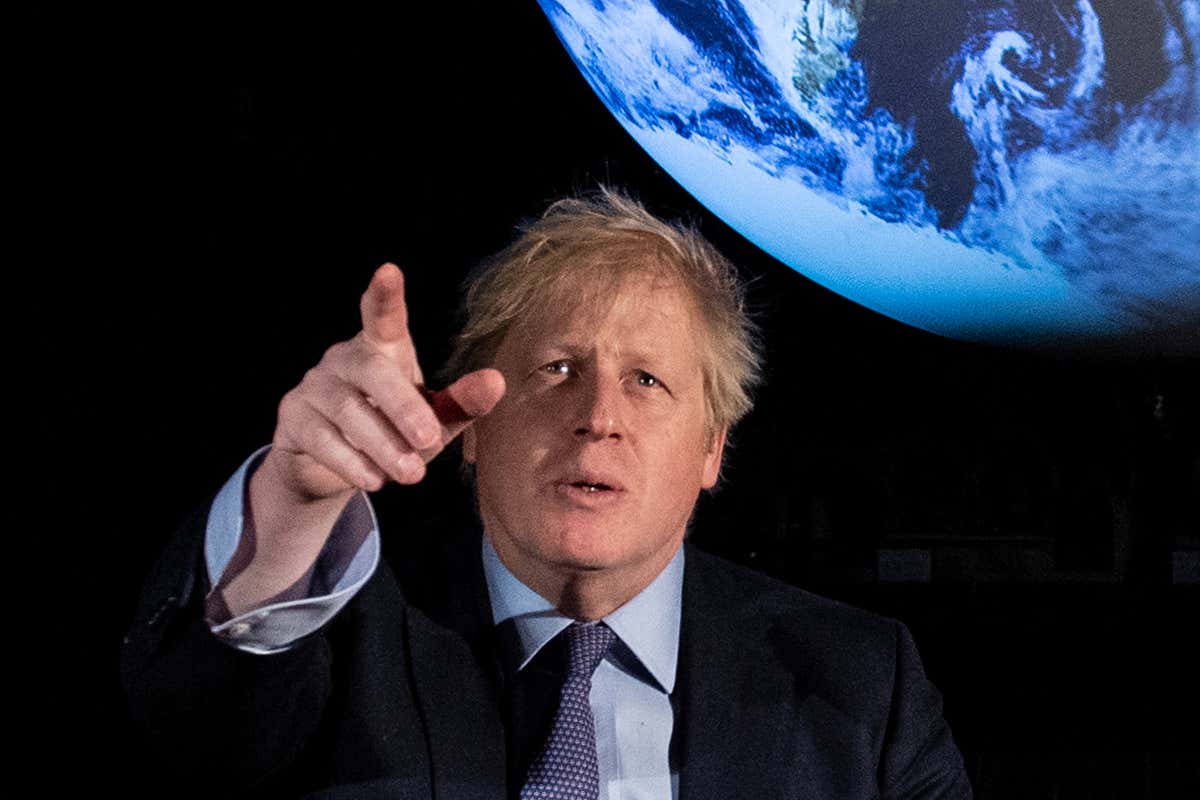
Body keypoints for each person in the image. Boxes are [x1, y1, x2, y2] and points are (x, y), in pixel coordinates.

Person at [122, 189, 971, 798]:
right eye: (556, 369)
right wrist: (294, 503)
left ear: (713, 448)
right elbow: (201, 737)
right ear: (474, 427)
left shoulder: (862, 685)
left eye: (646, 379)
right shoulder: (337, 644)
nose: (598, 417)